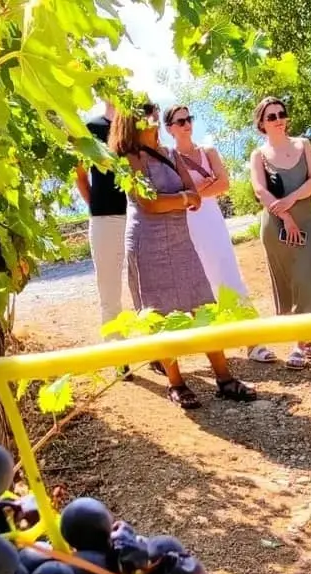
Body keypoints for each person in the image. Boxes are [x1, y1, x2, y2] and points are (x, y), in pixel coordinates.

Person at [109, 102, 257, 409]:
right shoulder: (128, 159)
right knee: (159, 313)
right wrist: (182, 198)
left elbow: (195, 196)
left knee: (203, 303)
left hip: (180, 241)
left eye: (153, 113)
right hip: (147, 245)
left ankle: (224, 378)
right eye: (146, 114)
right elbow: (150, 203)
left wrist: (180, 198)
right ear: (132, 121)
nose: (153, 119)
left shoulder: (172, 154)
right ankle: (175, 382)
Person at [164, 104, 277, 365]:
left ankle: (253, 342)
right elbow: (173, 196)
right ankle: (216, 346)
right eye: (180, 121)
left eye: (189, 119)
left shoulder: (208, 152)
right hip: (185, 226)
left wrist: (192, 193)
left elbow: (224, 184)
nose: (187, 124)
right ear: (170, 128)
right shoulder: (169, 159)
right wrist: (201, 188)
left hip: (211, 221)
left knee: (229, 276)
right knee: (198, 284)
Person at [249, 96, 311, 370]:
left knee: (306, 276)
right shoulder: (258, 155)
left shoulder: (303, 145)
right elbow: (260, 190)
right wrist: (285, 216)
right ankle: (304, 338)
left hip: (305, 219)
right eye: (271, 116)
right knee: (287, 282)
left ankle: (301, 343)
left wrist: (292, 200)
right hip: (275, 225)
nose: (278, 119)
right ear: (262, 123)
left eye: (281, 113)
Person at [75, 100, 131, 380]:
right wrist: (96, 205)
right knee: (109, 290)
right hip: (105, 216)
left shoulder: (134, 125)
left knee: (146, 285)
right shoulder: (91, 128)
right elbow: (80, 174)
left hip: (139, 214)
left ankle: (158, 353)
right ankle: (118, 355)